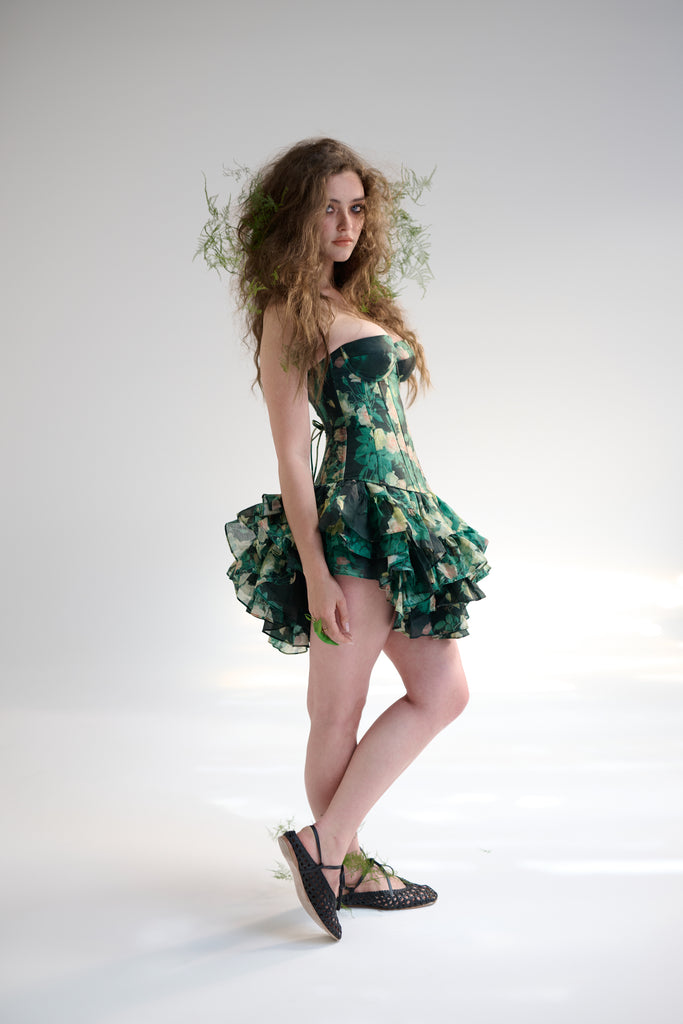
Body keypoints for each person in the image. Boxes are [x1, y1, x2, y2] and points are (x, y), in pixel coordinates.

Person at [203, 138, 490, 941]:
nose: (345, 224)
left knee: (442, 692)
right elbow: (293, 456)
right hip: (352, 523)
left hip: (401, 518)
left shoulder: (359, 302)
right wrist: (317, 569)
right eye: (327, 208)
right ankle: (339, 857)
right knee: (337, 708)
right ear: (296, 215)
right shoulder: (287, 310)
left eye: (356, 208)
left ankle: (327, 847)